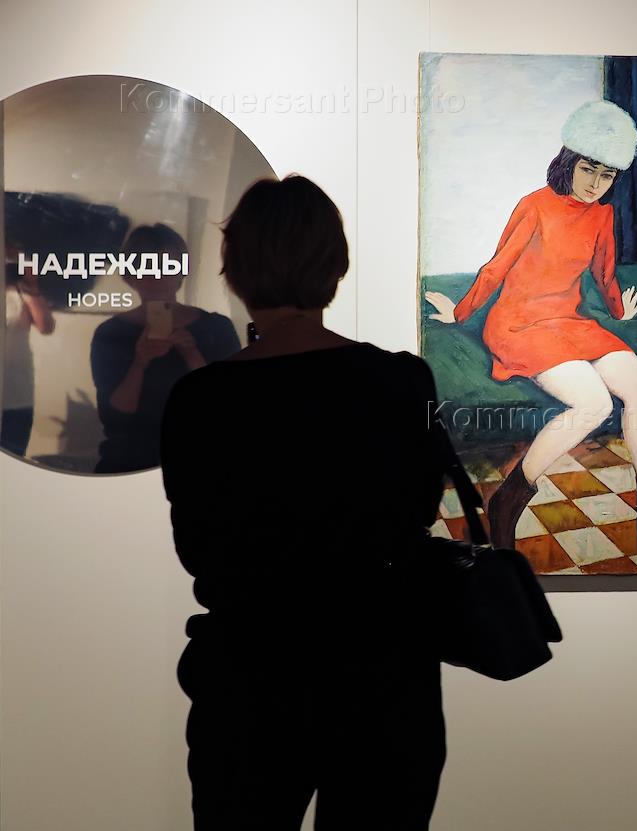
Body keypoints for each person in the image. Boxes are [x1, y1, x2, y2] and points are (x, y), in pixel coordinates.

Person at [160, 174, 448, 829]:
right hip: (383, 673)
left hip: (251, 676)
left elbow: (196, 546)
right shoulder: (401, 381)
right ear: (334, 265)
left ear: (235, 270)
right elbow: (418, 512)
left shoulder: (201, 399)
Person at [422, 99, 637, 553]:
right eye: (588, 169)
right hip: (520, 324)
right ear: (569, 161)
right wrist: (460, 313)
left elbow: (604, 273)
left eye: (607, 175)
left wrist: (617, 311)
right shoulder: (534, 206)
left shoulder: (603, 215)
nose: (595, 184)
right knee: (593, 404)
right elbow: (495, 268)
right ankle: (508, 499)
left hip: (569, 322)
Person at [91, 223, 240, 473]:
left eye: (168, 266)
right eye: (146, 266)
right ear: (130, 274)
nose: (157, 277)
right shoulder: (111, 333)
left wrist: (192, 354)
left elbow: (228, 409)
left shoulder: (216, 328)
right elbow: (115, 417)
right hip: (127, 463)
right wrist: (139, 362)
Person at [2, 247, 55, 456]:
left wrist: (32, 285)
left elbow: (46, 327)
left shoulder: (21, 292)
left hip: (17, 397)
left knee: (15, 457)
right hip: (16, 394)